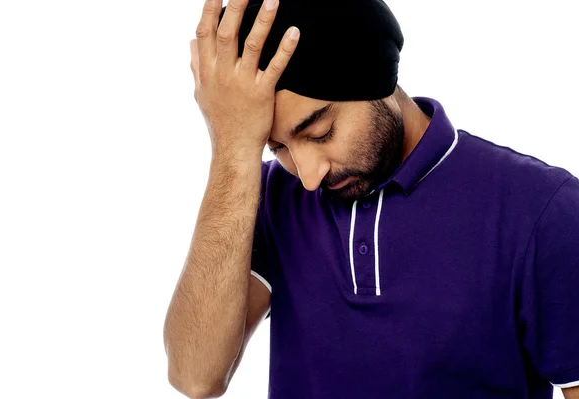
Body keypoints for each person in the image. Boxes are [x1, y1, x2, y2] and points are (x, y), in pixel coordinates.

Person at [163, 0, 579, 398]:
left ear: (375, 80)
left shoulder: (542, 209)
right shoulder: (269, 197)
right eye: (277, 147)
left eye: (320, 132)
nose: (308, 176)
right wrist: (233, 146)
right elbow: (195, 377)